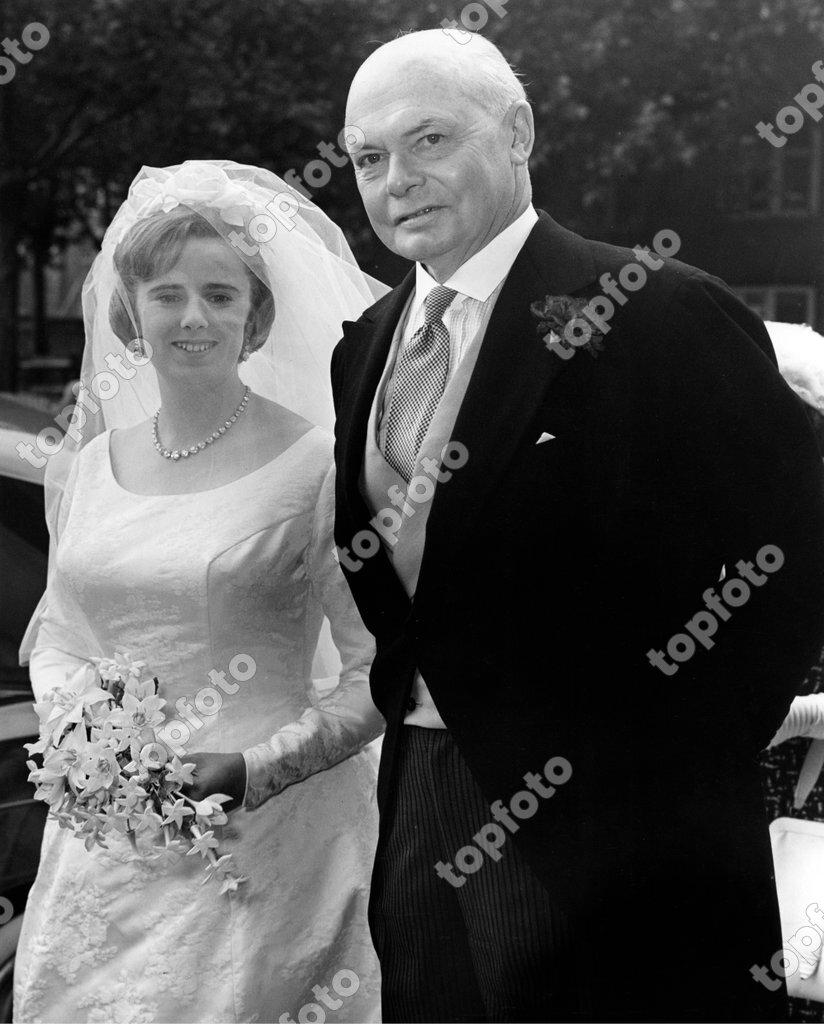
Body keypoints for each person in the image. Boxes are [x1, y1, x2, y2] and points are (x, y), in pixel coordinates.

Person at [331, 29, 824, 1023]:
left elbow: (798, 530)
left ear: (516, 133)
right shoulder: (367, 343)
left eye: (428, 140)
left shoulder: (652, 311)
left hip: (617, 828)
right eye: (369, 157)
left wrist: (690, 748)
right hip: (420, 779)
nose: (397, 179)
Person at [14, 160, 386, 1024]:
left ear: (256, 320)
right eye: (168, 294)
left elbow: (375, 673)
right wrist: (83, 733)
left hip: (271, 846)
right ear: (129, 312)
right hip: (109, 843)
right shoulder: (89, 465)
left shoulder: (318, 466)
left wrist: (255, 770)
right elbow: (62, 633)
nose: (193, 317)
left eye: (221, 295)